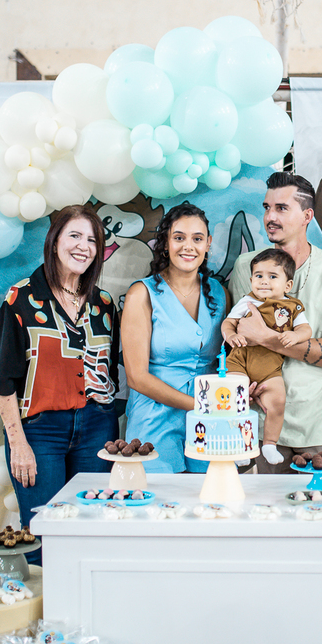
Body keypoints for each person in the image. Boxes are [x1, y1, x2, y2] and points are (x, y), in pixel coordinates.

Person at [0, 205, 120, 562]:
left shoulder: (104, 305)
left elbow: (112, 371)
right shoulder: (21, 300)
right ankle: (43, 600)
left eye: (92, 240)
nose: (83, 246)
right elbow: (2, 381)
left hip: (97, 427)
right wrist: (18, 443)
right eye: (74, 236)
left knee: (90, 527)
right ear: (54, 241)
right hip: (39, 431)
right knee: (41, 534)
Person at [228, 172, 322, 473]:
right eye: (266, 208)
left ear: (307, 216)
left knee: (321, 503)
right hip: (260, 422)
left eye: (282, 208)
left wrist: (266, 337)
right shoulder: (246, 266)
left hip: (320, 425)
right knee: (260, 503)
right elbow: (241, 337)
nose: (270, 217)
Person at [122, 203, 227, 473]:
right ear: (166, 243)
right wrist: (201, 405)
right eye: (179, 237)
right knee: (159, 496)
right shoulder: (141, 294)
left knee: (210, 493)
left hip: (209, 424)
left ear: (208, 244)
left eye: (197, 239)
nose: (188, 246)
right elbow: (136, 377)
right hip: (154, 420)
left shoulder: (219, 292)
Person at [221, 248, 313, 465]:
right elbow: (228, 323)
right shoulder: (247, 301)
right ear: (251, 280)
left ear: (287, 285)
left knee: (278, 401)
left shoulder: (293, 307)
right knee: (236, 400)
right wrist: (231, 335)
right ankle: (240, 446)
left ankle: (270, 444)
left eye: (272, 276)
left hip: (269, 366)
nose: (264, 281)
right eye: (258, 276)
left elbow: (306, 330)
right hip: (240, 361)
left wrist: (295, 335)